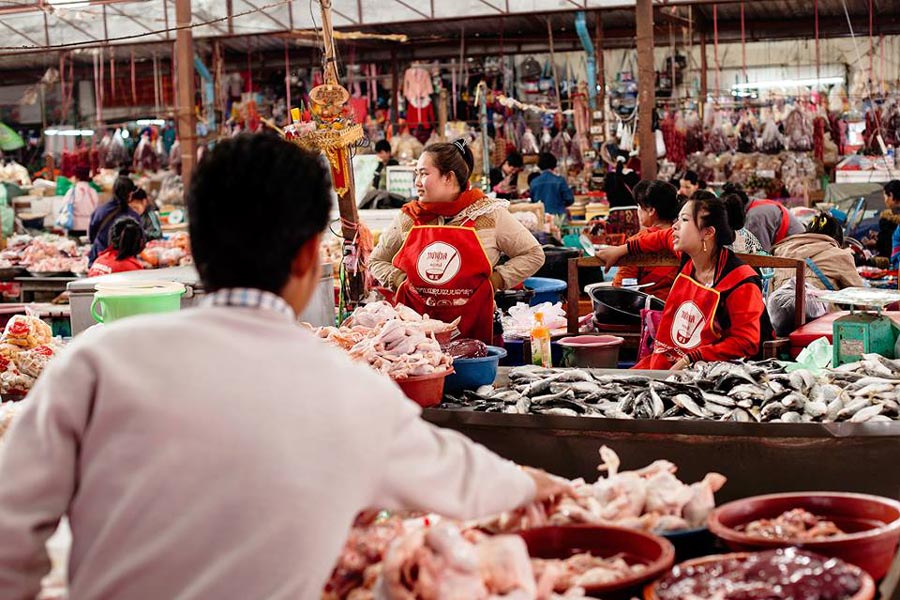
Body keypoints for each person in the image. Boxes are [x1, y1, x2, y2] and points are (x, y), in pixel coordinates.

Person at [0, 134, 569, 599]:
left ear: (195, 250)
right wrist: (539, 481)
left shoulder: (95, 362)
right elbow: (465, 480)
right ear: (305, 257)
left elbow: (10, 528)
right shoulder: (353, 390)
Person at [370, 139, 545, 344]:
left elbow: (533, 254)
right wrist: (399, 280)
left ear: (449, 177)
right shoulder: (409, 217)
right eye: (416, 173)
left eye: (424, 174)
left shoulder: (488, 214)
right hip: (416, 336)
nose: (417, 181)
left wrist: (496, 280)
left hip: (475, 326)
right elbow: (376, 261)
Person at [596, 194, 766, 370]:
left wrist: (691, 358)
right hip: (667, 363)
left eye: (684, 220)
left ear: (707, 232)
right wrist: (622, 250)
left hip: (710, 372)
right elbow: (662, 237)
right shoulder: (688, 258)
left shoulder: (741, 281)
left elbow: (745, 342)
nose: (675, 226)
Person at [768, 211, 866, 335]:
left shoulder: (780, 251)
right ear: (837, 238)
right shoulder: (839, 254)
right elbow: (861, 298)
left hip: (778, 325)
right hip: (821, 330)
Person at [612, 180, 680, 300]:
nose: (637, 210)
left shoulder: (635, 242)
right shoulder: (683, 239)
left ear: (651, 210)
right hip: (682, 309)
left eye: (639, 206)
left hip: (646, 312)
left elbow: (621, 288)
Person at [87, 172, 144, 265]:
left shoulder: (100, 211)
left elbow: (92, 236)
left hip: (100, 261)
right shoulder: (133, 216)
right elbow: (140, 243)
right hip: (125, 265)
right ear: (130, 194)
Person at [728, 183, 804, 253]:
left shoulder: (755, 218)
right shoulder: (753, 202)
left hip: (797, 249)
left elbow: (761, 256)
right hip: (792, 244)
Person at [65, 165, 99, 237]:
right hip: (89, 226)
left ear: (76, 177)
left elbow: (65, 207)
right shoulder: (93, 192)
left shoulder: (71, 191)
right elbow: (97, 208)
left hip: (74, 226)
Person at [878, 180, 900, 262]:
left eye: (885, 197)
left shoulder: (887, 221)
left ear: (891, 195)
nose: (885, 201)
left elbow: (888, 245)